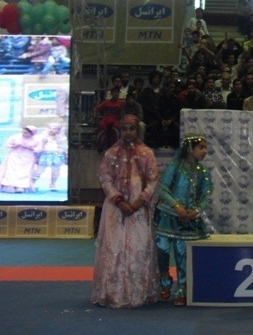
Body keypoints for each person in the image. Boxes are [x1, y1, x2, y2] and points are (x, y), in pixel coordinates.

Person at [91, 115, 160, 309]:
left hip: (139, 209)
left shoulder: (146, 153)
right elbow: (105, 178)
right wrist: (119, 200)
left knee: (138, 246)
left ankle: (138, 292)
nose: (128, 133)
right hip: (115, 209)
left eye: (132, 129)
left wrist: (139, 202)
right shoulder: (111, 153)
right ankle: (113, 292)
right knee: (115, 247)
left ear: (138, 130)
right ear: (120, 131)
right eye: (125, 129)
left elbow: (153, 180)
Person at [154, 132, 213, 306]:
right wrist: (177, 207)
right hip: (167, 216)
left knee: (182, 254)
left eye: (206, 148)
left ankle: (182, 288)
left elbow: (206, 195)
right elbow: (163, 189)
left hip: (188, 219)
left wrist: (195, 211)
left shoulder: (203, 172)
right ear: (189, 148)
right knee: (162, 250)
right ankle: (165, 282)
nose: (204, 151)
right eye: (201, 147)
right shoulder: (174, 167)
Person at [0, 126, 41, 193]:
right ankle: (10, 185)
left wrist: (29, 147)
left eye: (26, 133)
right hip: (14, 155)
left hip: (28, 157)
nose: (24, 134)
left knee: (25, 172)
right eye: (23, 132)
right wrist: (14, 146)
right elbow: (7, 144)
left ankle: (21, 186)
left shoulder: (37, 139)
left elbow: (39, 149)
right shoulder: (15, 137)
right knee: (12, 170)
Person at [33, 122, 67, 191]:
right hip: (45, 155)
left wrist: (60, 151)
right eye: (50, 128)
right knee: (39, 170)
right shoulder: (43, 137)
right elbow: (39, 145)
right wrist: (41, 149)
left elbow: (64, 147)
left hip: (56, 156)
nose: (51, 130)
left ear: (58, 130)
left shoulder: (62, 138)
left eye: (54, 129)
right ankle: (32, 184)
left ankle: (52, 184)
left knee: (55, 171)